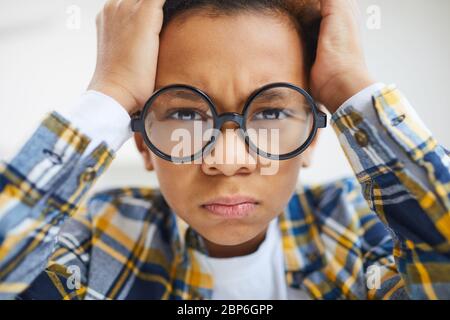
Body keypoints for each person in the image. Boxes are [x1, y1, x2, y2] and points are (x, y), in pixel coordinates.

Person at [0, 0, 449, 300]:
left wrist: (349, 84)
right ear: (142, 140)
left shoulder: (361, 230)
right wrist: (112, 91)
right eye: (186, 116)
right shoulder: (96, 238)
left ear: (311, 136)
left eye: (271, 115)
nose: (228, 159)